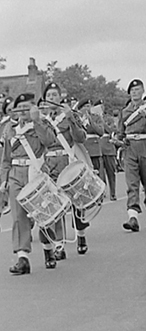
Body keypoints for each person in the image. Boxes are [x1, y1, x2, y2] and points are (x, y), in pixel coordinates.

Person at [1, 93, 56, 274]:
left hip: (37, 172)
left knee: (42, 214)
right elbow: (6, 158)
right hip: (16, 174)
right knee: (18, 216)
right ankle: (22, 257)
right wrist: (4, 180)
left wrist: (37, 121)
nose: (23, 111)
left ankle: (48, 249)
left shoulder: (41, 124)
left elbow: (49, 141)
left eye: (27, 107)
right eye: (20, 107)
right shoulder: (10, 128)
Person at [41, 82, 88, 261]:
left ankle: (81, 235)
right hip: (50, 164)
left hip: (68, 162)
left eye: (55, 95)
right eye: (49, 95)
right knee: (57, 206)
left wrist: (72, 118)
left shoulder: (68, 115)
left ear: (60, 97)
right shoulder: (42, 119)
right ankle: (60, 244)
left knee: (77, 203)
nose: (52, 98)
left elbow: (80, 137)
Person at [118, 79, 146, 231]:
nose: (135, 92)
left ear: (143, 91)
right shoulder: (125, 111)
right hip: (130, 148)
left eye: (138, 90)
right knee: (132, 183)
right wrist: (118, 141)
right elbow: (121, 132)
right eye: (132, 90)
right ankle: (133, 216)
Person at [78, 98, 106, 182]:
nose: (88, 108)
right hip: (81, 150)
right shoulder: (77, 118)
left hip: (94, 151)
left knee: (97, 175)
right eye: (85, 106)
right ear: (80, 108)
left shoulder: (96, 117)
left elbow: (101, 131)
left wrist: (90, 121)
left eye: (89, 106)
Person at [96, 99, 117, 201]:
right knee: (100, 174)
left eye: (102, 106)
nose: (101, 108)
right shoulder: (94, 118)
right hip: (99, 148)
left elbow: (111, 130)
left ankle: (113, 193)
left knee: (111, 173)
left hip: (109, 148)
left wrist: (102, 121)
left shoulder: (108, 118)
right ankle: (102, 194)